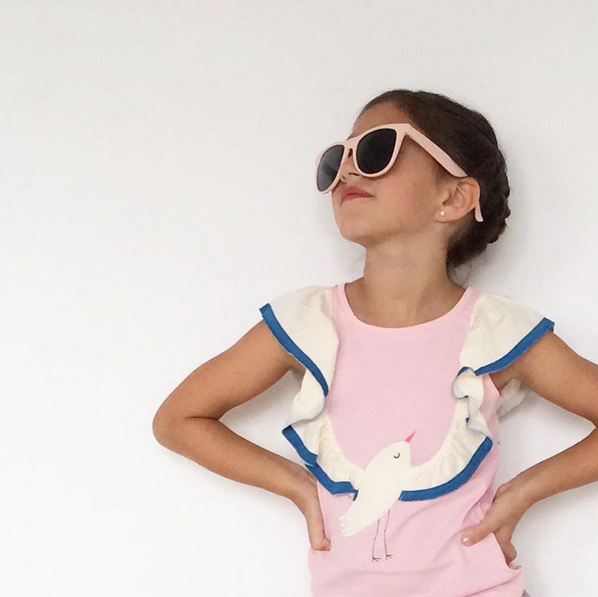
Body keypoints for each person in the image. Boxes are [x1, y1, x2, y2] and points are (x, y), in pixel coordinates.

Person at [152, 89, 598, 597]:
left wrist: (523, 492)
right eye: (336, 159)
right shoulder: (307, 324)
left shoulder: (498, 332)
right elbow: (177, 420)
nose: (347, 170)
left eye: (376, 150)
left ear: (453, 198)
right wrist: (296, 485)